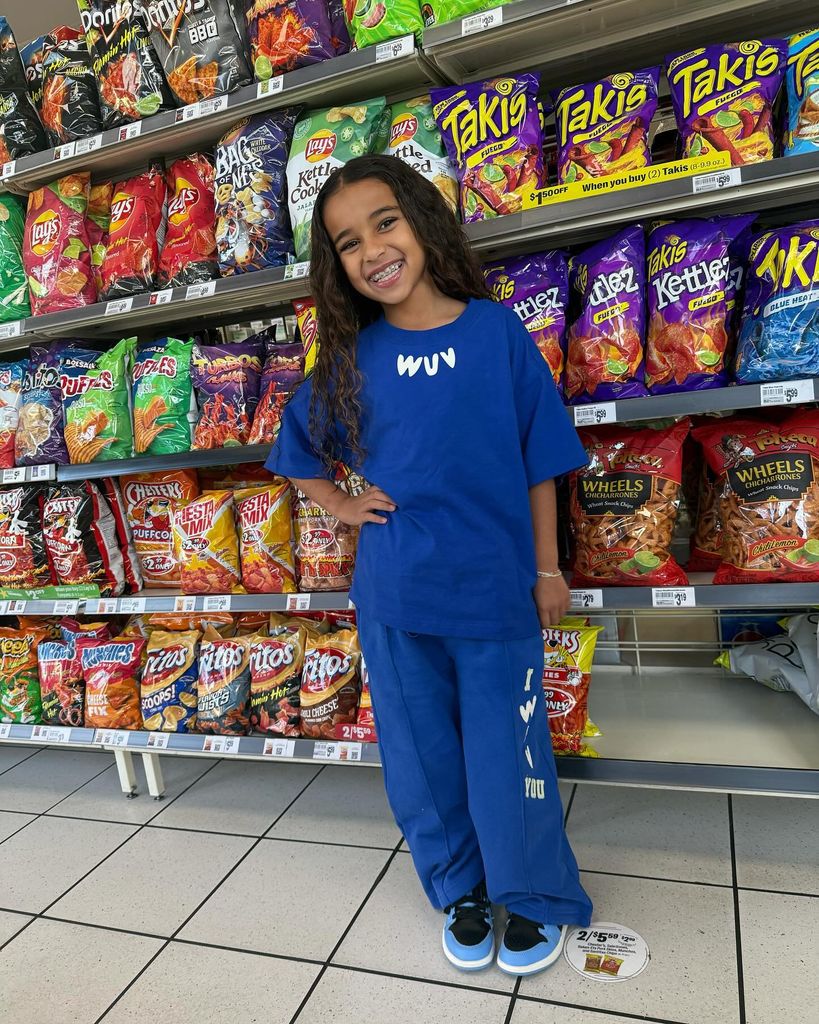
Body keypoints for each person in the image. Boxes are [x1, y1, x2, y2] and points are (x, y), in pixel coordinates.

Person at [266, 155, 592, 976]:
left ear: (422, 220)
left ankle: (535, 893)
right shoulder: (349, 358)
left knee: (507, 751)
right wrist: (341, 506)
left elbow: (538, 462)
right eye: (346, 242)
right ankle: (461, 889)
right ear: (335, 267)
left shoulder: (494, 333)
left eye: (384, 221)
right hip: (395, 593)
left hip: (493, 592)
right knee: (420, 755)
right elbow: (295, 450)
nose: (372, 248)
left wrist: (547, 570)